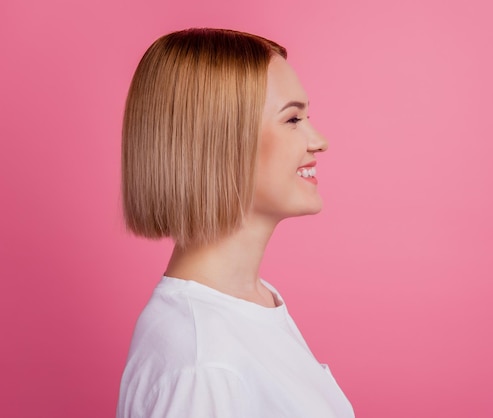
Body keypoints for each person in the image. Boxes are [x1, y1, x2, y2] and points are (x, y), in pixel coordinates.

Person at [116, 28, 354, 418]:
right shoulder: (203, 364)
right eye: (293, 119)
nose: (319, 140)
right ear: (222, 141)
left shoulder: (253, 303)